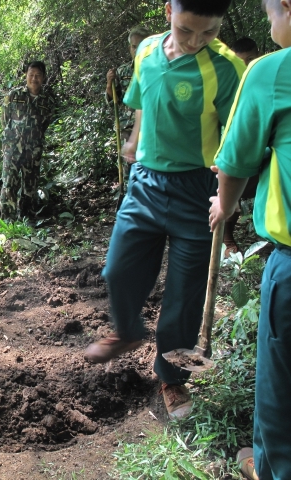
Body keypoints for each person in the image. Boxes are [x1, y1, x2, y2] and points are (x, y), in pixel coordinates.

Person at [83, 0, 246, 421]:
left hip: (198, 190)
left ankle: (171, 377)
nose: (195, 41)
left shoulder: (227, 68)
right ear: (169, 10)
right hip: (146, 183)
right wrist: (135, 140)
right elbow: (142, 100)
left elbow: (240, 139)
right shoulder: (147, 50)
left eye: (209, 32)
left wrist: (227, 198)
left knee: (183, 296)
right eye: (187, 29)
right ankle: (128, 331)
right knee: (118, 270)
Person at [209, 0, 291, 477]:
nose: (268, 20)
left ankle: (273, 467)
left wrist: (225, 203)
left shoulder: (271, 71)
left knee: (281, 385)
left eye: (269, 11)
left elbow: (235, 162)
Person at [0, 60, 56, 220]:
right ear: (26, 75)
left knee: (30, 185)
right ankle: (8, 220)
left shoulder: (48, 101)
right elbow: (4, 119)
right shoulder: (14, 95)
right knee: (9, 183)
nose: (34, 79)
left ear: (43, 77)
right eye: (31, 75)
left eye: (38, 75)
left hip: (33, 149)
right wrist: (12, 138)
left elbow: (45, 124)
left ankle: (27, 218)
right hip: (12, 148)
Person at [222, 37, 262, 256]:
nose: (246, 66)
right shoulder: (227, 83)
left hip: (261, 146)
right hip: (232, 147)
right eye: (240, 62)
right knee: (231, 186)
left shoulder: (265, 78)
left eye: (250, 60)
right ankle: (226, 237)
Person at [105, 25, 152, 143]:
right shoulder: (122, 71)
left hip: (150, 127)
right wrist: (109, 84)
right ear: (130, 48)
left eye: (140, 46)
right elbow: (114, 102)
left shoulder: (157, 69)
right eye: (134, 47)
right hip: (128, 128)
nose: (136, 50)